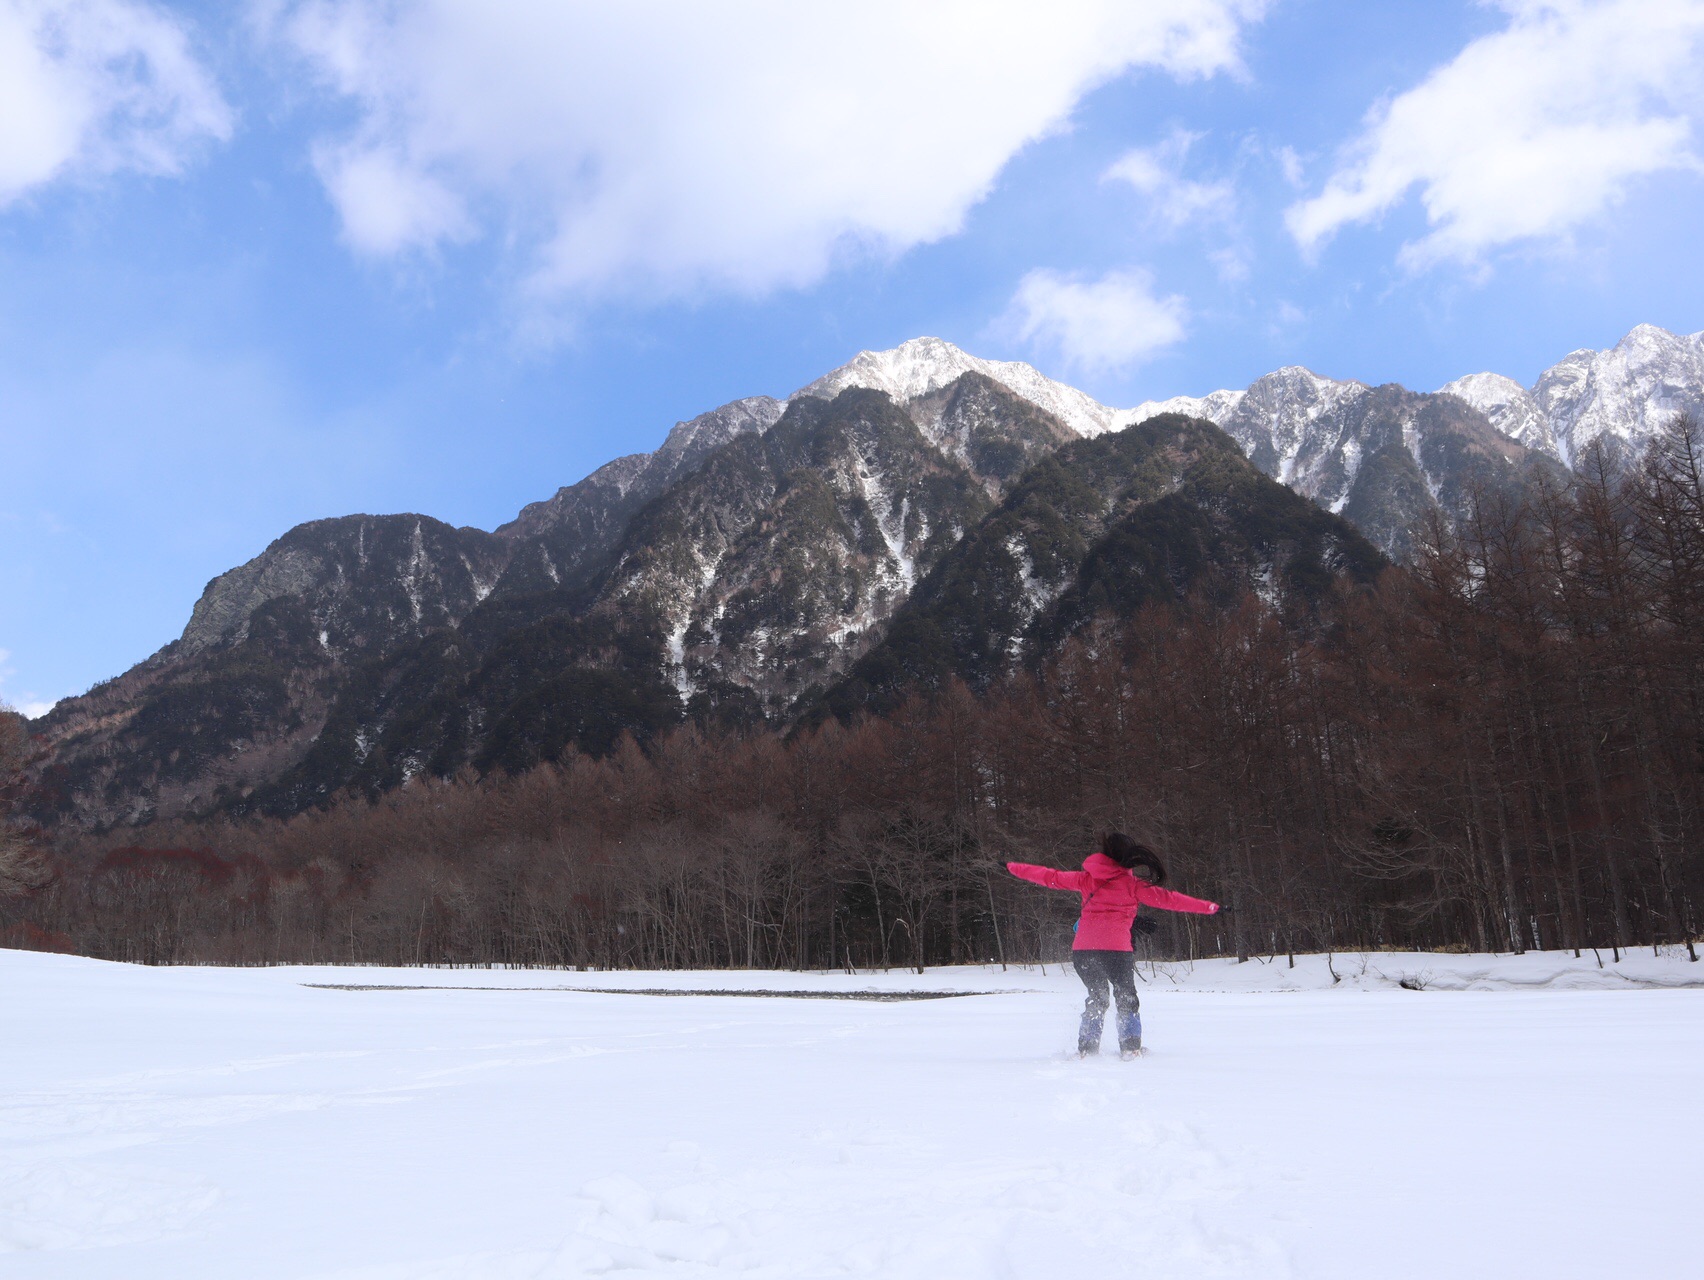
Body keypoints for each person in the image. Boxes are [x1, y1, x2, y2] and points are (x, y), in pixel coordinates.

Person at [1007, 833, 1220, 1058]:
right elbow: (1171, 900)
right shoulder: (1133, 885)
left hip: (1083, 951)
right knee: (1126, 996)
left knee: (1097, 997)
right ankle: (1130, 1047)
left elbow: (1050, 876)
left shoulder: (1085, 879)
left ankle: (1087, 1048)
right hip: (1117, 951)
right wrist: (1210, 907)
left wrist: (1012, 866)